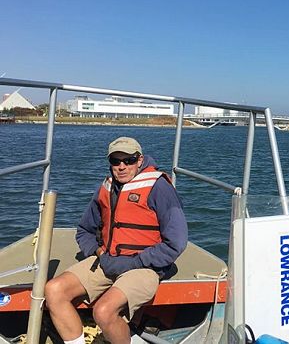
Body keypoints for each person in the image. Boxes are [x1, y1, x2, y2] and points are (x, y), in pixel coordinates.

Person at [45, 137, 188, 344]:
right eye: (115, 161)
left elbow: (176, 242)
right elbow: (84, 230)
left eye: (128, 160)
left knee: (104, 311)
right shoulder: (106, 187)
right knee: (54, 290)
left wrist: (135, 261)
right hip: (108, 261)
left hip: (145, 267)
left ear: (140, 160)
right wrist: (100, 253)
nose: (122, 167)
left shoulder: (159, 187)